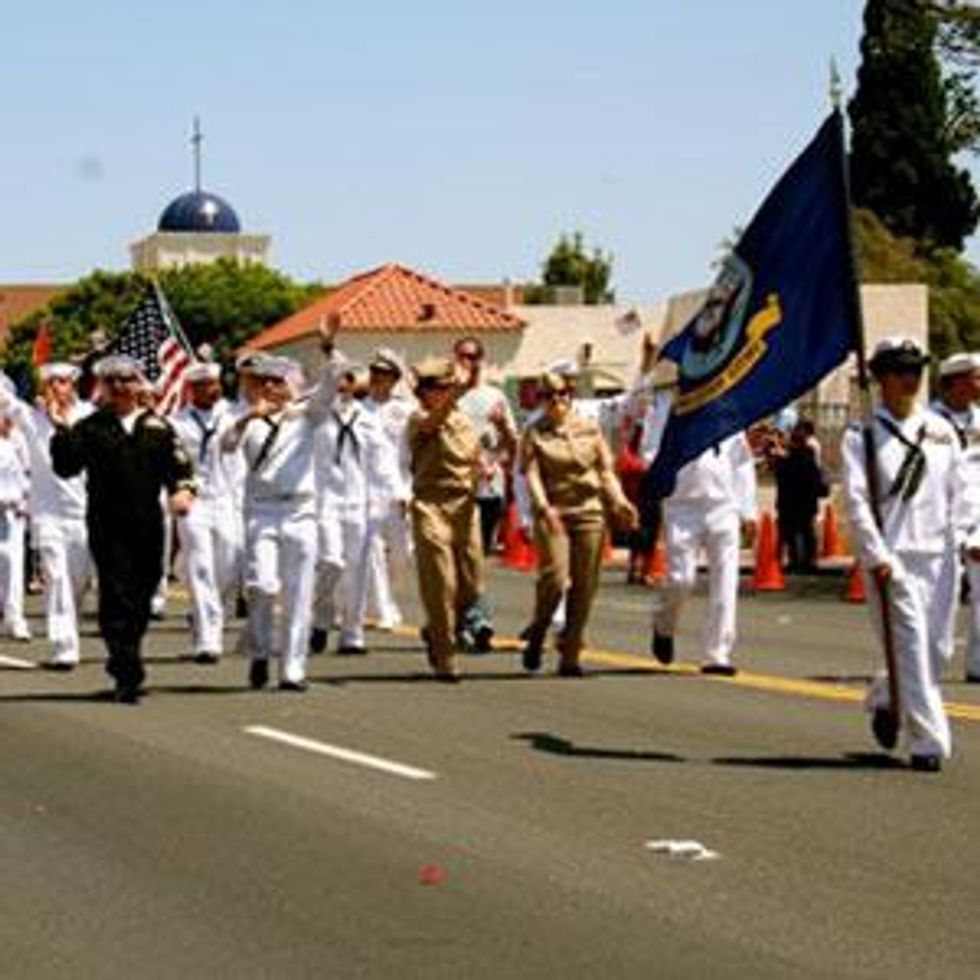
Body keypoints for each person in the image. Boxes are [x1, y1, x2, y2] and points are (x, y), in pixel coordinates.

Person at [841, 337, 966, 771]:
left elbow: (963, 491)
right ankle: (928, 742)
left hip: (940, 555)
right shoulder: (862, 435)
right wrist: (875, 555)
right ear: (879, 378)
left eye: (915, 370)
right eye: (899, 370)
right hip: (893, 559)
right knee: (912, 648)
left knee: (936, 650)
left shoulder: (942, 431)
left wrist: (969, 536)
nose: (909, 379)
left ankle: (884, 695)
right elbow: (856, 502)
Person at [50, 354, 196, 703]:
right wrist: (60, 427)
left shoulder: (157, 427)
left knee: (144, 595)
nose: (119, 386)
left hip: (148, 523)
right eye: (111, 381)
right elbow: (66, 467)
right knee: (115, 595)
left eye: (126, 380)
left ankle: (129, 651)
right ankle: (125, 668)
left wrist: (183, 490)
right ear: (102, 386)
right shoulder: (91, 426)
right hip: (107, 523)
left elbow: (179, 466)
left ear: (138, 384)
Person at [221, 329, 342, 691]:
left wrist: (327, 347)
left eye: (278, 381)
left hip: (300, 512)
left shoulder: (308, 415)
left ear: (292, 384)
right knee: (261, 585)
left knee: (299, 592)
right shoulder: (247, 418)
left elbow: (332, 383)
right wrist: (249, 419)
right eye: (265, 381)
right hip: (262, 511)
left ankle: (292, 669)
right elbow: (225, 446)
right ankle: (259, 651)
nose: (271, 387)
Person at [520, 371, 638, 676]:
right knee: (556, 579)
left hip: (589, 510)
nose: (556, 401)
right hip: (554, 511)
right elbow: (530, 473)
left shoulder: (589, 429)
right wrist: (543, 506)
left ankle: (570, 653)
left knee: (585, 586)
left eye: (562, 394)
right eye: (548, 396)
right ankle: (539, 627)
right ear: (540, 400)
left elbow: (605, 471)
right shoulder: (535, 432)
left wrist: (620, 500)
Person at [0, 363, 93, 664]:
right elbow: (4, 398)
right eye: (50, 383)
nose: (56, 388)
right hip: (48, 514)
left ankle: (70, 626)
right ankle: (64, 646)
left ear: (73, 386)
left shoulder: (89, 416)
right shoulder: (30, 418)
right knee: (56, 576)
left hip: (85, 511)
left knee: (78, 579)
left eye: (62, 382)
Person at [649, 429, 758, 677]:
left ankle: (718, 653)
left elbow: (741, 464)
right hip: (682, 506)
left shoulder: (729, 415)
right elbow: (652, 453)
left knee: (726, 582)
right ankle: (663, 624)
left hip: (723, 506)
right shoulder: (673, 411)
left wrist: (748, 511)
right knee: (681, 579)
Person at [310, 364, 401, 655]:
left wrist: (395, 492)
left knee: (357, 570)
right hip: (325, 501)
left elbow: (382, 461)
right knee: (331, 561)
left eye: (347, 379)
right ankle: (322, 616)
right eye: (336, 379)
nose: (342, 385)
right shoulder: (318, 414)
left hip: (358, 503)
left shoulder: (367, 419)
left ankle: (352, 633)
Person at [407, 355, 482, 681]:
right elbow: (430, 424)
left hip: (465, 506)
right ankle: (445, 654)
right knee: (441, 582)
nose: (440, 392)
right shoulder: (418, 417)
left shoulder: (464, 421)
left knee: (471, 585)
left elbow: (472, 457)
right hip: (431, 503)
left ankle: (436, 629)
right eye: (436, 387)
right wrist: (456, 394)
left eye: (445, 386)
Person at [171, 362, 244, 664]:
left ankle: (208, 612)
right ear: (192, 390)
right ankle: (207, 638)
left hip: (227, 498)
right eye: (204, 385)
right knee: (200, 565)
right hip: (195, 500)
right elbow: (174, 463)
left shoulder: (235, 414)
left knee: (230, 560)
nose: (212, 389)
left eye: (214, 383)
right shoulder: (177, 423)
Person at [454, 336, 515, 648]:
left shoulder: (496, 397)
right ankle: (476, 620)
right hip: (458, 489)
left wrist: (497, 455)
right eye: (463, 356)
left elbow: (513, 445)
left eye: (474, 356)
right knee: (467, 557)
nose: (469, 362)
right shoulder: (449, 398)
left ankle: (461, 618)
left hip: (490, 489)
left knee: (477, 559)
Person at [929, 351, 980, 683]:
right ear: (957, 381)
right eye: (975, 377)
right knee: (938, 601)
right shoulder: (929, 423)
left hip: (976, 515)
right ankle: (924, 663)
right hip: (939, 521)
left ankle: (978, 665)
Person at [357, 348, 414, 632]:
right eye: (375, 374)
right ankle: (383, 606)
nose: (378, 379)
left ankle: (388, 596)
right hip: (367, 488)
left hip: (401, 486)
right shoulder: (358, 410)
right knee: (374, 550)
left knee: (403, 551)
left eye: (385, 375)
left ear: (395, 379)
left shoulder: (406, 411)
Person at [771, 419, 827, 573]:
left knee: (793, 533)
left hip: (793, 503)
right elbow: (813, 478)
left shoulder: (788, 458)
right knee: (804, 533)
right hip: (802, 502)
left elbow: (781, 478)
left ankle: (797, 561)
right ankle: (806, 562)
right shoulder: (805, 456)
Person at [0, 409, 31, 642]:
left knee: (12, 567)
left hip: (8, 514)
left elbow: (23, 481)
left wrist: (21, 501)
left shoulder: (11, 446)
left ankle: (15, 618)